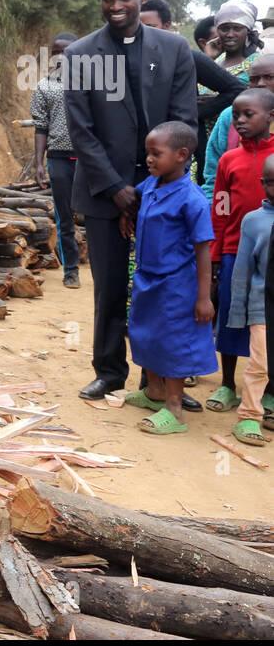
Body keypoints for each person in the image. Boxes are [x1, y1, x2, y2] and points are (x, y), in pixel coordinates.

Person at [63, 0, 198, 401]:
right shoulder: (81, 54)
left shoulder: (174, 49)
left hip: (164, 194)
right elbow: (81, 131)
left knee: (163, 286)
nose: (116, 6)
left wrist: (151, 189)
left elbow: (184, 122)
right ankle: (109, 371)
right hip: (105, 191)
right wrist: (119, 190)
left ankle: (158, 378)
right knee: (110, 284)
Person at [124, 122, 216, 434]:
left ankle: (174, 409)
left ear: (181, 155)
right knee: (145, 333)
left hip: (177, 284)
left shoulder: (193, 199)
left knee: (172, 342)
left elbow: (203, 250)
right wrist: (126, 215)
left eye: (155, 153)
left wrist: (204, 297)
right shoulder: (152, 184)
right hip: (147, 278)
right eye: (148, 152)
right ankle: (154, 392)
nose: (148, 159)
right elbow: (134, 200)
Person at [207, 87, 274, 414]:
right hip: (235, 249)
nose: (241, 121)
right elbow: (220, 210)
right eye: (237, 115)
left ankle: (268, 389)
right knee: (231, 318)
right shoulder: (227, 160)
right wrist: (217, 255)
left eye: (250, 114)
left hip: (270, 255)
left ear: (270, 117)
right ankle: (227, 384)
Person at [137, 0, 246, 191]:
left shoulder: (186, 57)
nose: (145, 33)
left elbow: (236, 90)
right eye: (140, 27)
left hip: (185, 155)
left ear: (167, 26)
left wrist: (196, 111)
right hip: (143, 157)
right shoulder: (131, 61)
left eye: (152, 26)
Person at [225, 152, 274, 446]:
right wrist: (237, 314)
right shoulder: (253, 221)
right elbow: (242, 271)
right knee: (260, 364)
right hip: (261, 308)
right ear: (262, 183)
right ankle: (249, 414)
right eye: (272, 183)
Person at [202, 1, 268, 194]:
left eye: (237, 28)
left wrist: (215, 101)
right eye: (224, 28)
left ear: (248, 30)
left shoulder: (257, 64)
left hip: (238, 138)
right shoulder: (216, 61)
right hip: (207, 142)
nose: (229, 34)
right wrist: (207, 59)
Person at [30, 32, 80, 288]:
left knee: (96, 214)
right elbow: (41, 127)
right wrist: (39, 163)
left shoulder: (92, 84)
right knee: (64, 216)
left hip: (88, 159)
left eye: (68, 51)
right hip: (59, 159)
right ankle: (71, 270)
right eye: (56, 51)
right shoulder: (43, 87)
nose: (61, 56)